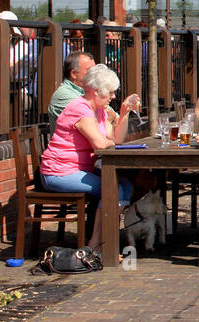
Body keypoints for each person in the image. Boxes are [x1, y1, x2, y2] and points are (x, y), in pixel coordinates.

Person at [40, 64, 142, 253]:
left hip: (79, 169)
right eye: (110, 92)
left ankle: (105, 239)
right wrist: (109, 141)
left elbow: (116, 139)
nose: (113, 96)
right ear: (96, 91)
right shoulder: (80, 109)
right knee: (112, 188)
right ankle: (96, 246)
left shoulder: (100, 111)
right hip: (59, 172)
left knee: (125, 185)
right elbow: (101, 144)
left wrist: (124, 111)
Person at [48, 50, 94, 122]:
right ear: (74, 74)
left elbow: (113, 116)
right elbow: (93, 119)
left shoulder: (91, 91)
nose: (94, 74)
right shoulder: (63, 95)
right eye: (90, 70)